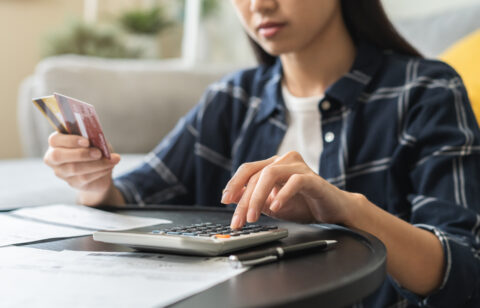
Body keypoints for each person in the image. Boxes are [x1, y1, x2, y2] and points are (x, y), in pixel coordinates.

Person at [43, 0, 480, 306]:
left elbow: (462, 274)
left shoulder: (425, 90)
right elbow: (133, 197)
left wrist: (348, 209)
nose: (259, 4)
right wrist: (96, 184)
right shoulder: (232, 99)